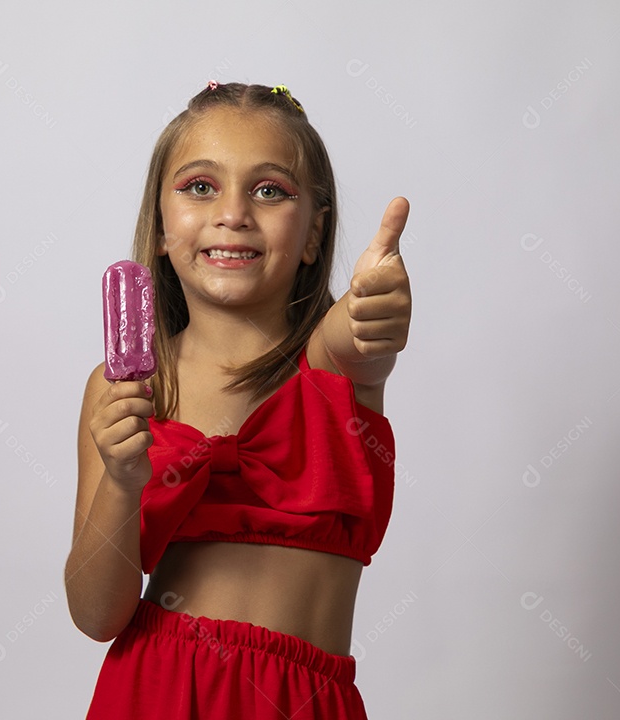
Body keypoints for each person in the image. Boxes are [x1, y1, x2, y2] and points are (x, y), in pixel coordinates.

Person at [65, 81, 412, 719]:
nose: (233, 212)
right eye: (200, 186)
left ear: (312, 235)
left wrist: (373, 311)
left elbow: (357, 338)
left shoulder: (330, 367)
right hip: (154, 691)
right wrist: (120, 480)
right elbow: (95, 613)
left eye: (270, 190)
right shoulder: (127, 387)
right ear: (163, 229)